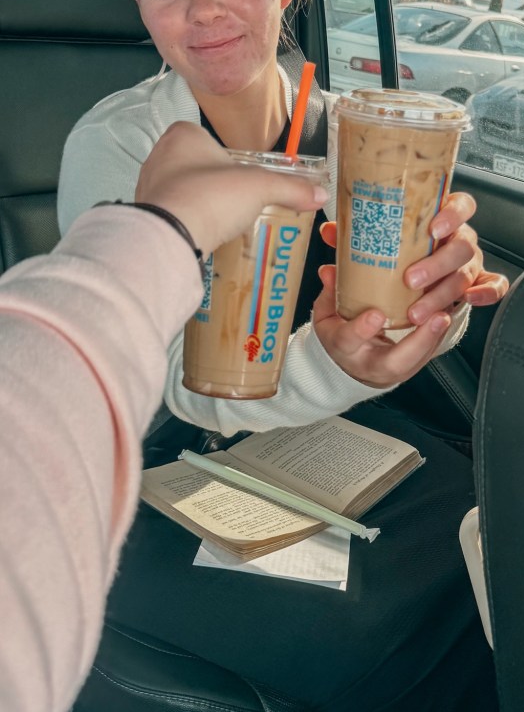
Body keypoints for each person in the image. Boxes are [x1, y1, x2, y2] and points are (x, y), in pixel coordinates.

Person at [58, 0, 507, 710]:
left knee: (500, 538)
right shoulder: (121, 145)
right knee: (380, 626)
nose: (206, 8)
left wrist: (440, 295)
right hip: (163, 468)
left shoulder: (358, 135)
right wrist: (333, 365)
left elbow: (393, 306)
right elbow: (160, 385)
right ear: (141, 6)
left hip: (330, 443)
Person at [1, 122, 328, 712]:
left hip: (292, 449)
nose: (204, 21)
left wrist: (351, 359)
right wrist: (164, 227)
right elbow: (186, 381)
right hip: (151, 471)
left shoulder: (335, 130)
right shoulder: (118, 136)